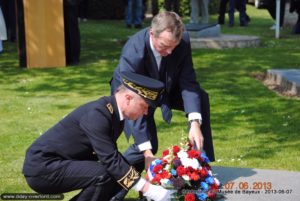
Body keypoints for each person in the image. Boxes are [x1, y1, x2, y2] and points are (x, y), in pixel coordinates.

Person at [110, 11, 215, 200]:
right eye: (164, 47)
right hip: (131, 93)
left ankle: (200, 165)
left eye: (173, 47)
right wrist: (147, 152)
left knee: (200, 98)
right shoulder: (134, 51)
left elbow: (188, 81)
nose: (169, 53)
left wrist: (195, 123)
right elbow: (134, 99)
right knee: (148, 144)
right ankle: (111, 189)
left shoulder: (182, 41)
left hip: (165, 86)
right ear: (152, 33)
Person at [22, 72, 174, 201]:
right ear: (128, 98)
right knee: (105, 174)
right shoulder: (99, 114)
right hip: (43, 169)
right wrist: (150, 190)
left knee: (119, 171)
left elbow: (113, 158)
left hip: (59, 162)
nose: (146, 112)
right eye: (144, 106)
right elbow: (110, 160)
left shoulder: (113, 113)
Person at [63, 0, 81, 65]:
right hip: (61, 4)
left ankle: (73, 57)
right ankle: (66, 56)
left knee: (72, 30)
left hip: (70, 3)